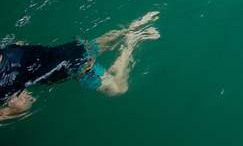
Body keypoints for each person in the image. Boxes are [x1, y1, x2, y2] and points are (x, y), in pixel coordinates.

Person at [1, 11, 160, 120]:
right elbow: (22, 44)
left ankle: (129, 45)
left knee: (119, 89)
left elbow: (24, 106)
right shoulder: (10, 50)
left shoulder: (4, 84)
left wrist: (11, 109)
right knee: (97, 45)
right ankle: (130, 28)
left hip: (76, 68)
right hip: (70, 49)